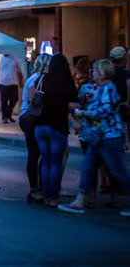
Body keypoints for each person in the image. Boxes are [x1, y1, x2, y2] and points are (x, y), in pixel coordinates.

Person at [59, 60, 130, 215]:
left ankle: (80, 200)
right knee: (88, 168)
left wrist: (82, 114)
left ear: (103, 73)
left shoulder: (108, 89)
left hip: (109, 136)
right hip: (98, 136)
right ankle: (80, 201)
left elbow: (104, 112)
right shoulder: (101, 88)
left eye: (95, 71)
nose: (92, 73)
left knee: (117, 171)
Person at [34, 54, 77, 208]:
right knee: (56, 163)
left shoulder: (43, 79)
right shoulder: (66, 82)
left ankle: (45, 195)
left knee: (45, 161)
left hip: (40, 125)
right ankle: (53, 196)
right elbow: (74, 104)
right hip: (57, 126)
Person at [19, 53, 52, 204]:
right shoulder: (35, 79)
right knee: (34, 153)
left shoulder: (37, 78)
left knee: (39, 153)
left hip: (31, 118)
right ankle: (34, 188)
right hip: (29, 118)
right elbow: (32, 100)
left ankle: (39, 186)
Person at [0, 52, 24, 123]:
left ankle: (8, 114)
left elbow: (19, 69)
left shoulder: (14, 57)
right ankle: (4, 117)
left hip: (13, 82)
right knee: (4, 100)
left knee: (14, 98)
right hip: (2, 82)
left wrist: (20, 80)